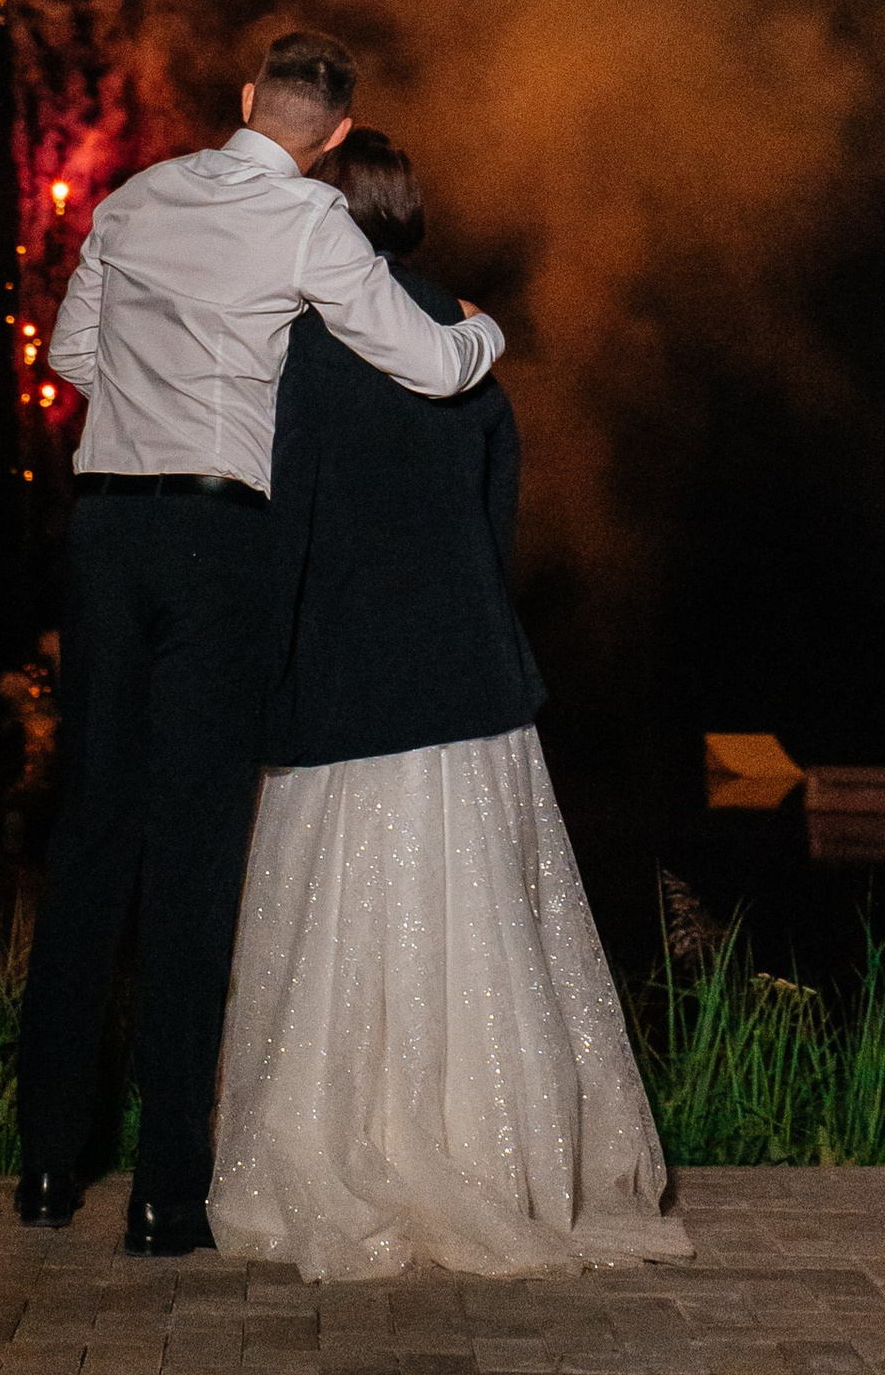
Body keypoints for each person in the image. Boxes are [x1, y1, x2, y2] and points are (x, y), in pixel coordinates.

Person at [18, 34, 505, 1257]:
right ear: (333, 134)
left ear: (243, 100)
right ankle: (164, 1192)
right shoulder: (310, 222)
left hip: (107, 527)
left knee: (88, 834)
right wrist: (487, 331)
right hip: (219, 535)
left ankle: (41, 1163)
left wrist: (152, 382)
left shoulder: (132, 198)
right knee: (193, 848)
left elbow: (76, 353)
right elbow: (430, 365)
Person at [208, 129, 690, 1280]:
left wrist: (259, 669)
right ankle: (497, 1155)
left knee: (341, 924)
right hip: (468, 675)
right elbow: (494, 518)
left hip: (343, 681)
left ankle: (355, 1143)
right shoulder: (461, 342)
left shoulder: (301, 347)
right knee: (483, 923)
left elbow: (282, 530)